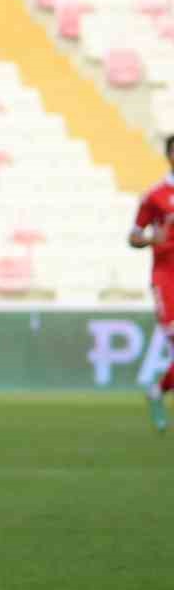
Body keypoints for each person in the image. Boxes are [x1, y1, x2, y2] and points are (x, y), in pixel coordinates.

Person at [129, 133, 174, 432]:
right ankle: (157, 391)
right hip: (166, 276)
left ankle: (157, 390)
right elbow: (133, 236)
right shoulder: (155, 195)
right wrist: (149, 238)